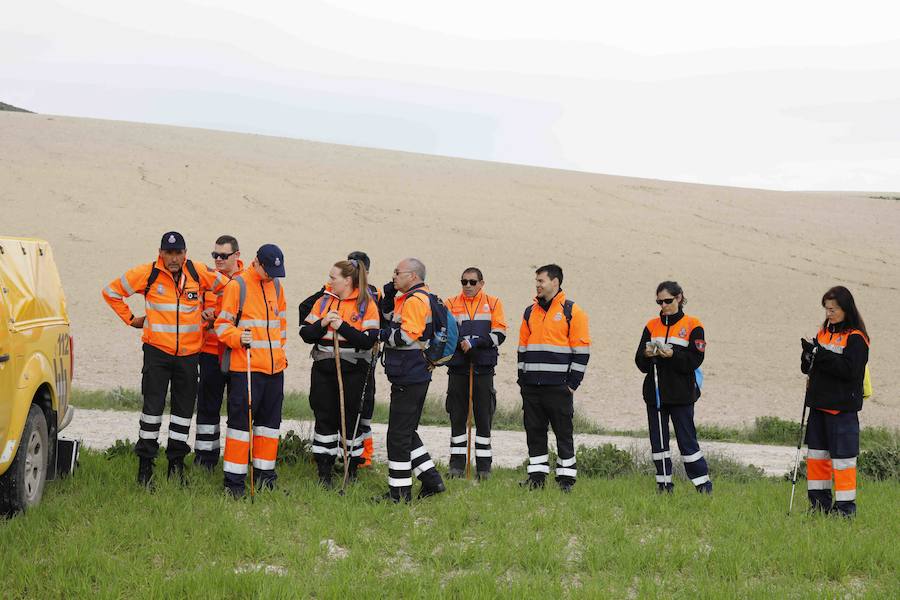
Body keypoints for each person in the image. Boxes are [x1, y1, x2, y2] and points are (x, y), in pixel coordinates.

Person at [102, 231, 227, 487]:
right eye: (168, 253)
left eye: (178, 253)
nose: (173, 258)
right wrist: (131, 319)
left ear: (185, 253)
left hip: (190, 355)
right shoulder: (147, 273)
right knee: (152, 412)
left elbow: (229, 288)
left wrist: (215, 313)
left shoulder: (198, 271)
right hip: (157, 353)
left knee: (182, 413)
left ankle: (176, 466)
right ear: (160, 253)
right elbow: (111, 291)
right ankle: (145, 467)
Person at [214, 244, 288, 498]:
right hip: (245, 369)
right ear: (256, 262)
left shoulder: (277, 286)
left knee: (269, 427)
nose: (272, 276)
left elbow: (282, 327)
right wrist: (237, 337)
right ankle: (234, 483)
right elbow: (221, 325)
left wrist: (279, 355)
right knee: (239, 428)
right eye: (268, 270)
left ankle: (266, 477)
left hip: (274, 369)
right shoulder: (238, 286)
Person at [299, 259, 380, 487]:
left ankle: (350, 469)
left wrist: (342, 326)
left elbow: (367, 341)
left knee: (350, 420)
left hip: (353, 372)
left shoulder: (366, 304)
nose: (329, 281)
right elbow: (306, 334)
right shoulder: (324, 301)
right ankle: (324, 471)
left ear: (347, 280)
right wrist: (324, 322)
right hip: (324, 370)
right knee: (324, 418)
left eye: (333, 277)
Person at [376, 258, 446, 502]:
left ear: (413, 276)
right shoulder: (413, 298)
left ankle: (399, 493)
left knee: (397, 436)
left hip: (410, 372)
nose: (393, 276)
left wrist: (380, 335)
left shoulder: (416, 301)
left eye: (398, 272)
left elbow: (406, 335)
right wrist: (388, 296)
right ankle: (431, 479)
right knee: (407, 431)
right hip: (415, 372)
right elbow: (392, 318)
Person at [518, 264, 590, 492]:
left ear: (555, 282)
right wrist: (522, 380)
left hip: (559, 388)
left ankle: (566, 481)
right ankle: (536, 478)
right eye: (536, 281)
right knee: (534, 433)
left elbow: (582, 351)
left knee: (563, 434)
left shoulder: (573, 311)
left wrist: (572, 384)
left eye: (541, 281)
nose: (537, 285)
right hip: (532, 387)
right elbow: (522, 348)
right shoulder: (530, 311)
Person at [634, 281, 712, 494]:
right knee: (658, 444)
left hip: (681, 395)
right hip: (655, 395)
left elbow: (695, 360)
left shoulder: (694, 325)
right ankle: (664, 485)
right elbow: (640, 363)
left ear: (679, 298)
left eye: (667, 300)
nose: (663, 305)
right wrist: (647, 355)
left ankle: (702, 484)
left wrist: (673, 355)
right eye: (659, 301)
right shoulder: (651, 325)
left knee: (687, 442)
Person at [801, 286, 869, 517]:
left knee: (843, 463)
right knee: (817, 459)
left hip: (841, 410)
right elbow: (812, 367)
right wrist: (808, 357)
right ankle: (819, 507)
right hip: (818, 406)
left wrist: (820, 355)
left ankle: (844, 511)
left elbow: (850, 371)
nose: (829, 314)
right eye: (827, 309)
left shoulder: (857, 338)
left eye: (833, 309)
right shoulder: (823, 331)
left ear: (845, 309)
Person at [444, 267, 507, 479]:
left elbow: (500, 333)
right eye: (464, 282)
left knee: (483, 416)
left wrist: (476, 342)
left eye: (472, 282)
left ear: (481, 283)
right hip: (458, 367)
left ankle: (484, 468)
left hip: (483, 367)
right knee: (457, 416)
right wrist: (460, 343)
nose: (468, 286)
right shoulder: (451, 303)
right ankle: (456, 466)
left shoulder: (494, 303)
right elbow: (446, 333)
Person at [194, 235, 244, 470]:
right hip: (210, 351)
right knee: (207, 408)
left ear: (236, 255)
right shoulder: (207, 280)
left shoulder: (246, 282)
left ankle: (236, 459)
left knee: (238, 409)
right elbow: (195, 308)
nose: (218, 260)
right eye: (215, 255)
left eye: (223, 256)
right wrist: (204, 316)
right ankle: (205, 459)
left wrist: (221, 318)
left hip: (236, 353)